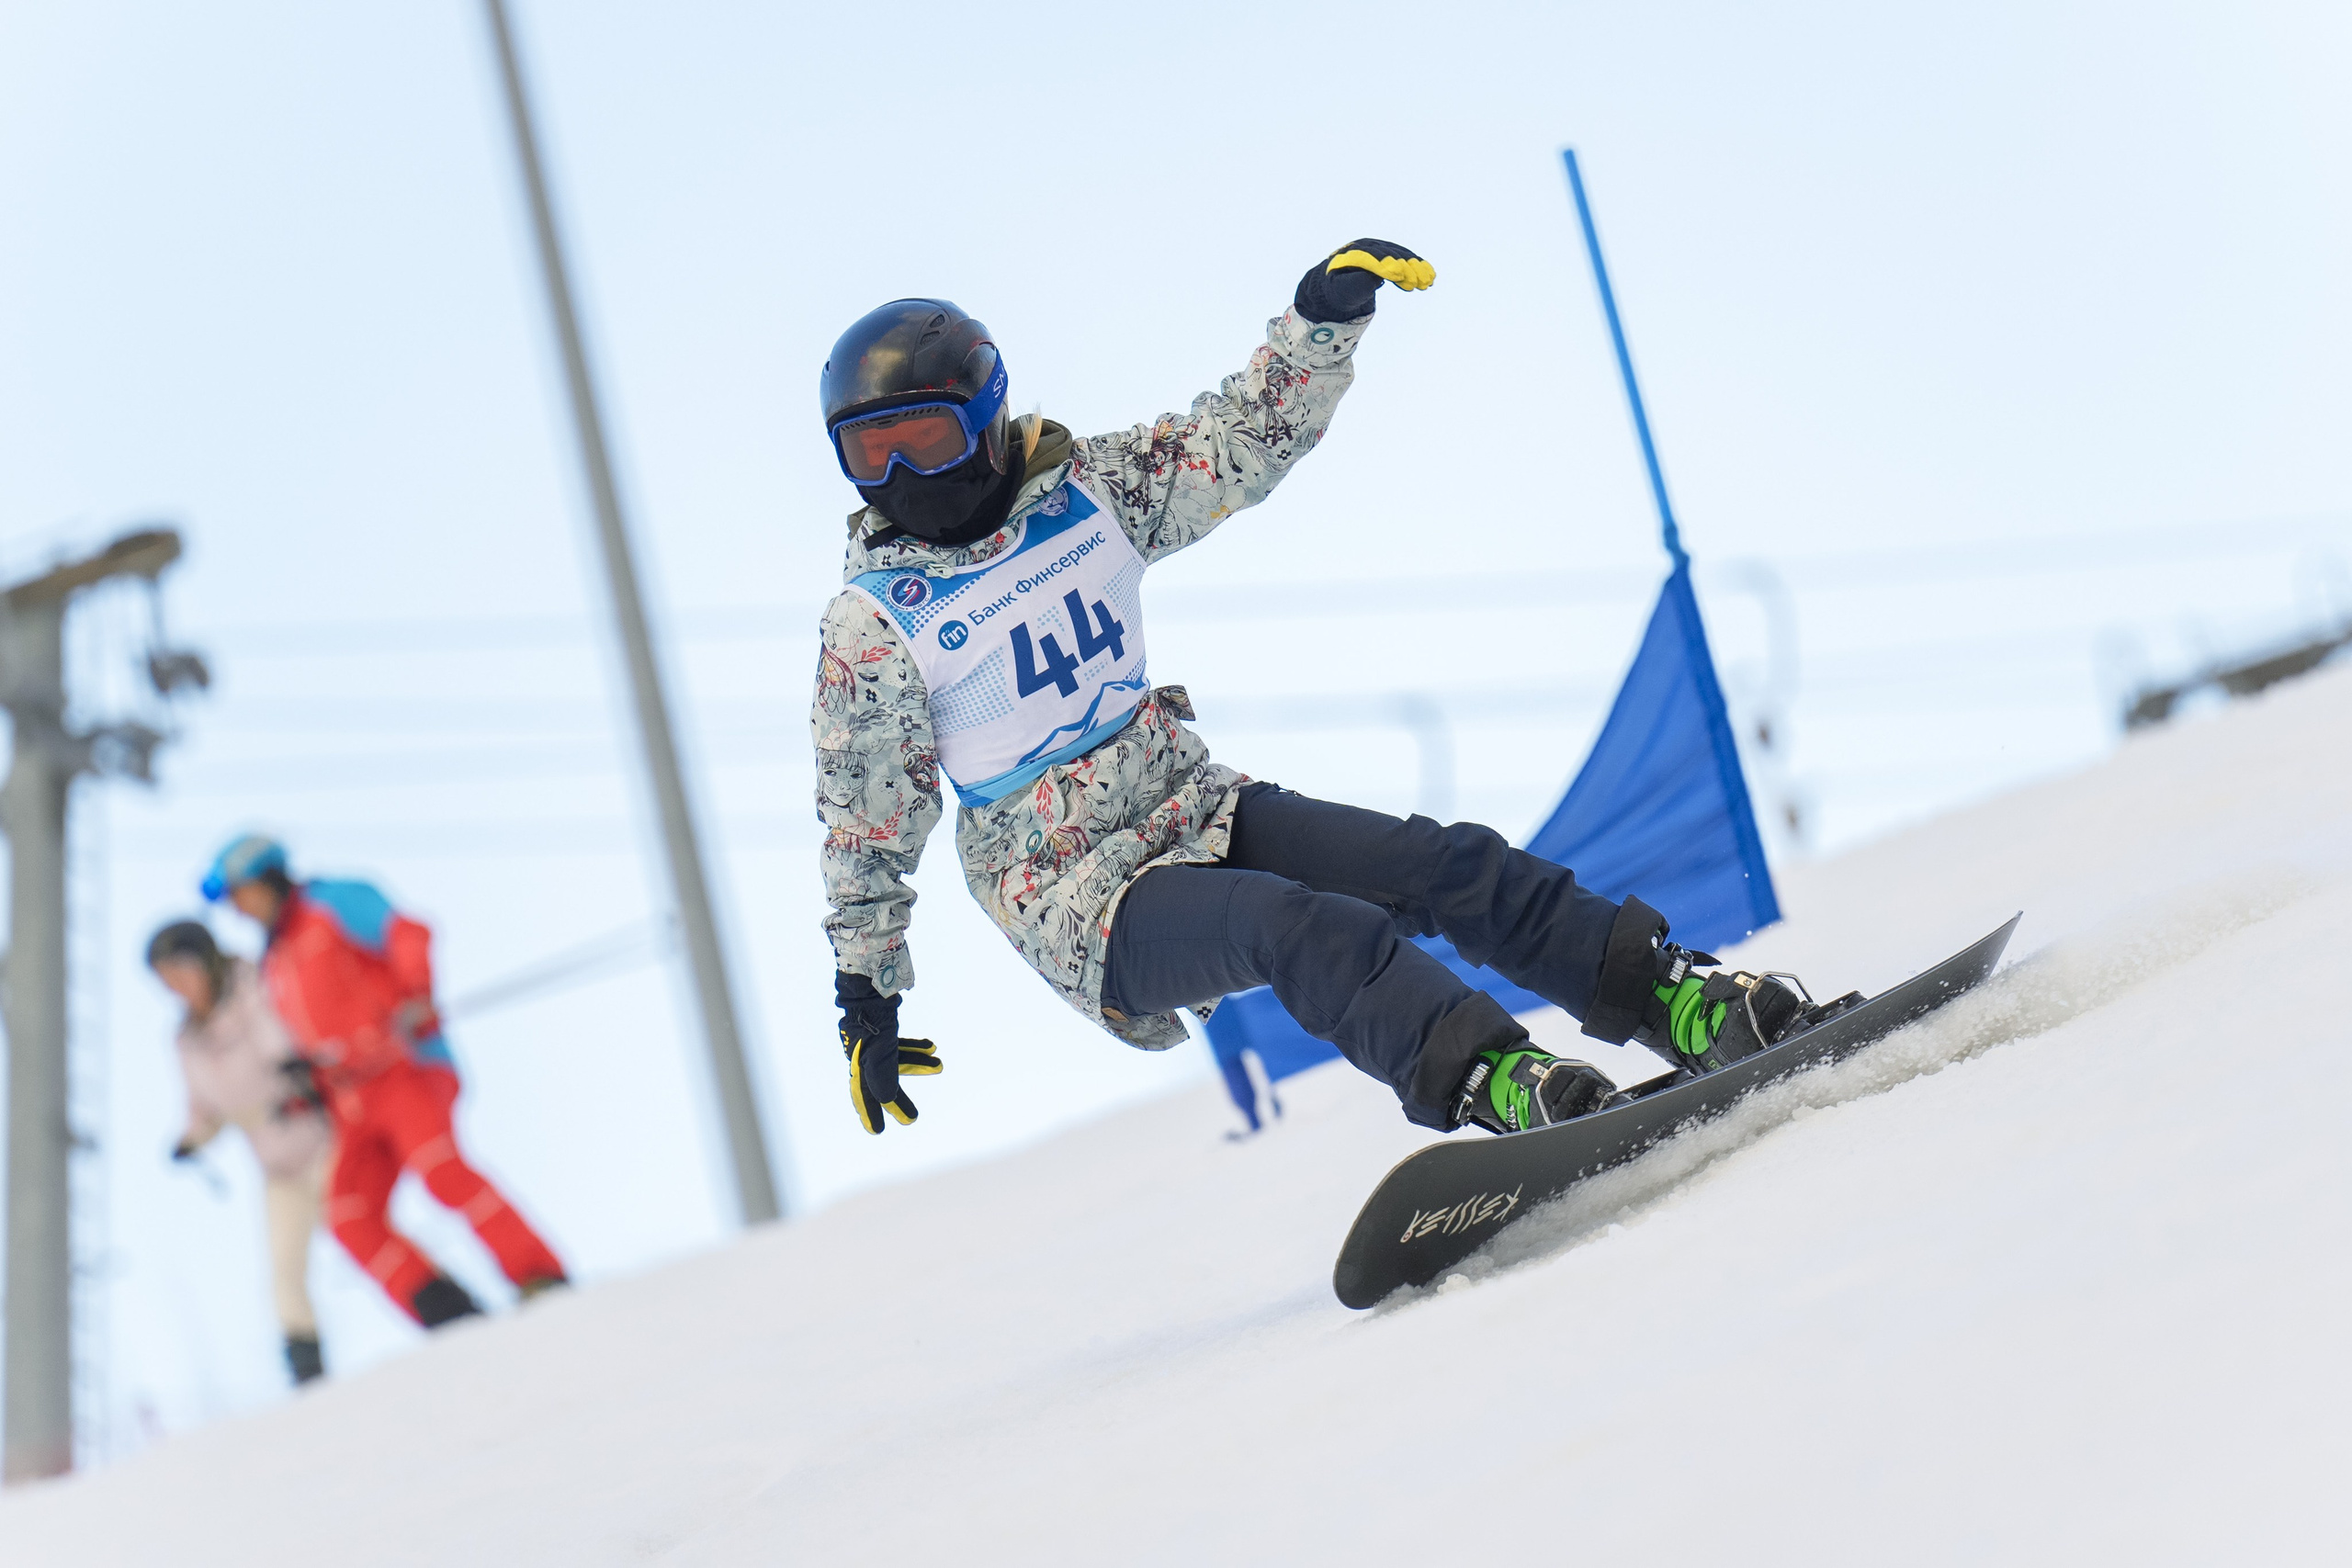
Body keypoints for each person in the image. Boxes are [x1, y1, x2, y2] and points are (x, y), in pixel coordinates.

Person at [812, 241, 1841, 1141]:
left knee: (1443, 866)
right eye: (868, 452)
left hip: (1198, 809)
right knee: (1299, 926)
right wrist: (868, 992)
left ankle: (1681, 1002)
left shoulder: (1089, 495)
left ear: (986, 415)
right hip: (1078, 896)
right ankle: (1497, 1080)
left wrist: (1321, 320)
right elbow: (868, 823)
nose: (900, 476)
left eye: (923, 439)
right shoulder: (879, 623)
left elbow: (1236, 441)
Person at [202, 835, 566, 1326]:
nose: (239, 910)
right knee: (350, 1214)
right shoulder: (276, 957)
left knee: (441, 1170)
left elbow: (406, 931)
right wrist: (309, 1081)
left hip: (403, 1068)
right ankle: (447, 1313)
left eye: (240, 895)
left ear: (266, 878)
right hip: (352, 1099)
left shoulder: (331, 902)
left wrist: (416, 992)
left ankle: (540, 1275)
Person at [146, 919, 336, 1384]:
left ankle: (446, 1312)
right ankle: (307, 1370)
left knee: (361, 1229)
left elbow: (285, 1039)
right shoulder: (188, 1040)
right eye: (166, 980)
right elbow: (205, 1108)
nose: (176, 988)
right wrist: (192, 1140)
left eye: (180, 973)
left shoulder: (255, 989)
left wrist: (298, 1070)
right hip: (278, 1166)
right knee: (284, 1270)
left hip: (322, 1142)